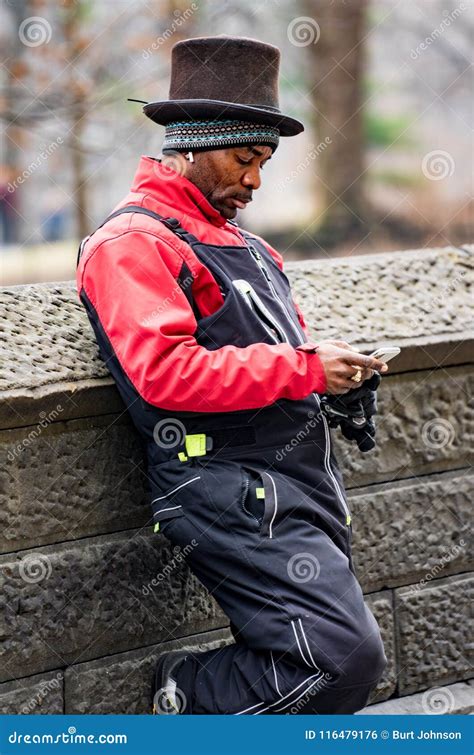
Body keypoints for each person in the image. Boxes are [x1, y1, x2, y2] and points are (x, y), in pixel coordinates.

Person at [76, 35, 389, 716]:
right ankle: (186, 693)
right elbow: (164, 373)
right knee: (343, 659)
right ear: (187, 147)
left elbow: (279, 362)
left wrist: (337, 381)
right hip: (225, 489)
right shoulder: (133, 244)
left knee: (323, 662)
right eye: (245, 158)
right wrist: (304, 366)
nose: (254, 181)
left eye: (265, 163)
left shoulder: (252, 248)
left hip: (299, 488)